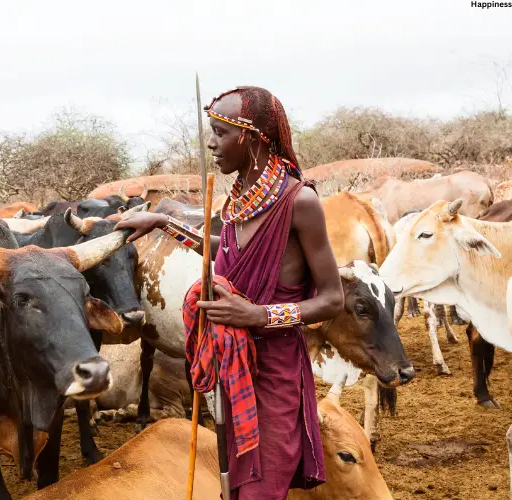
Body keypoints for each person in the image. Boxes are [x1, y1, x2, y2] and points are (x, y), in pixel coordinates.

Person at [114, 86, 344, 499]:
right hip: (233, 366)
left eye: (220, 132)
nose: (210, 142)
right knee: (232, 487)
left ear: (252, 138)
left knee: (261, 488)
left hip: (275, 374)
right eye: (211, 131)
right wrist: (164, 224)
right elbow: (230, 251)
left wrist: (259, 316)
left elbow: (332, 300)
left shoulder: (299, 202)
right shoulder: (238, 198)